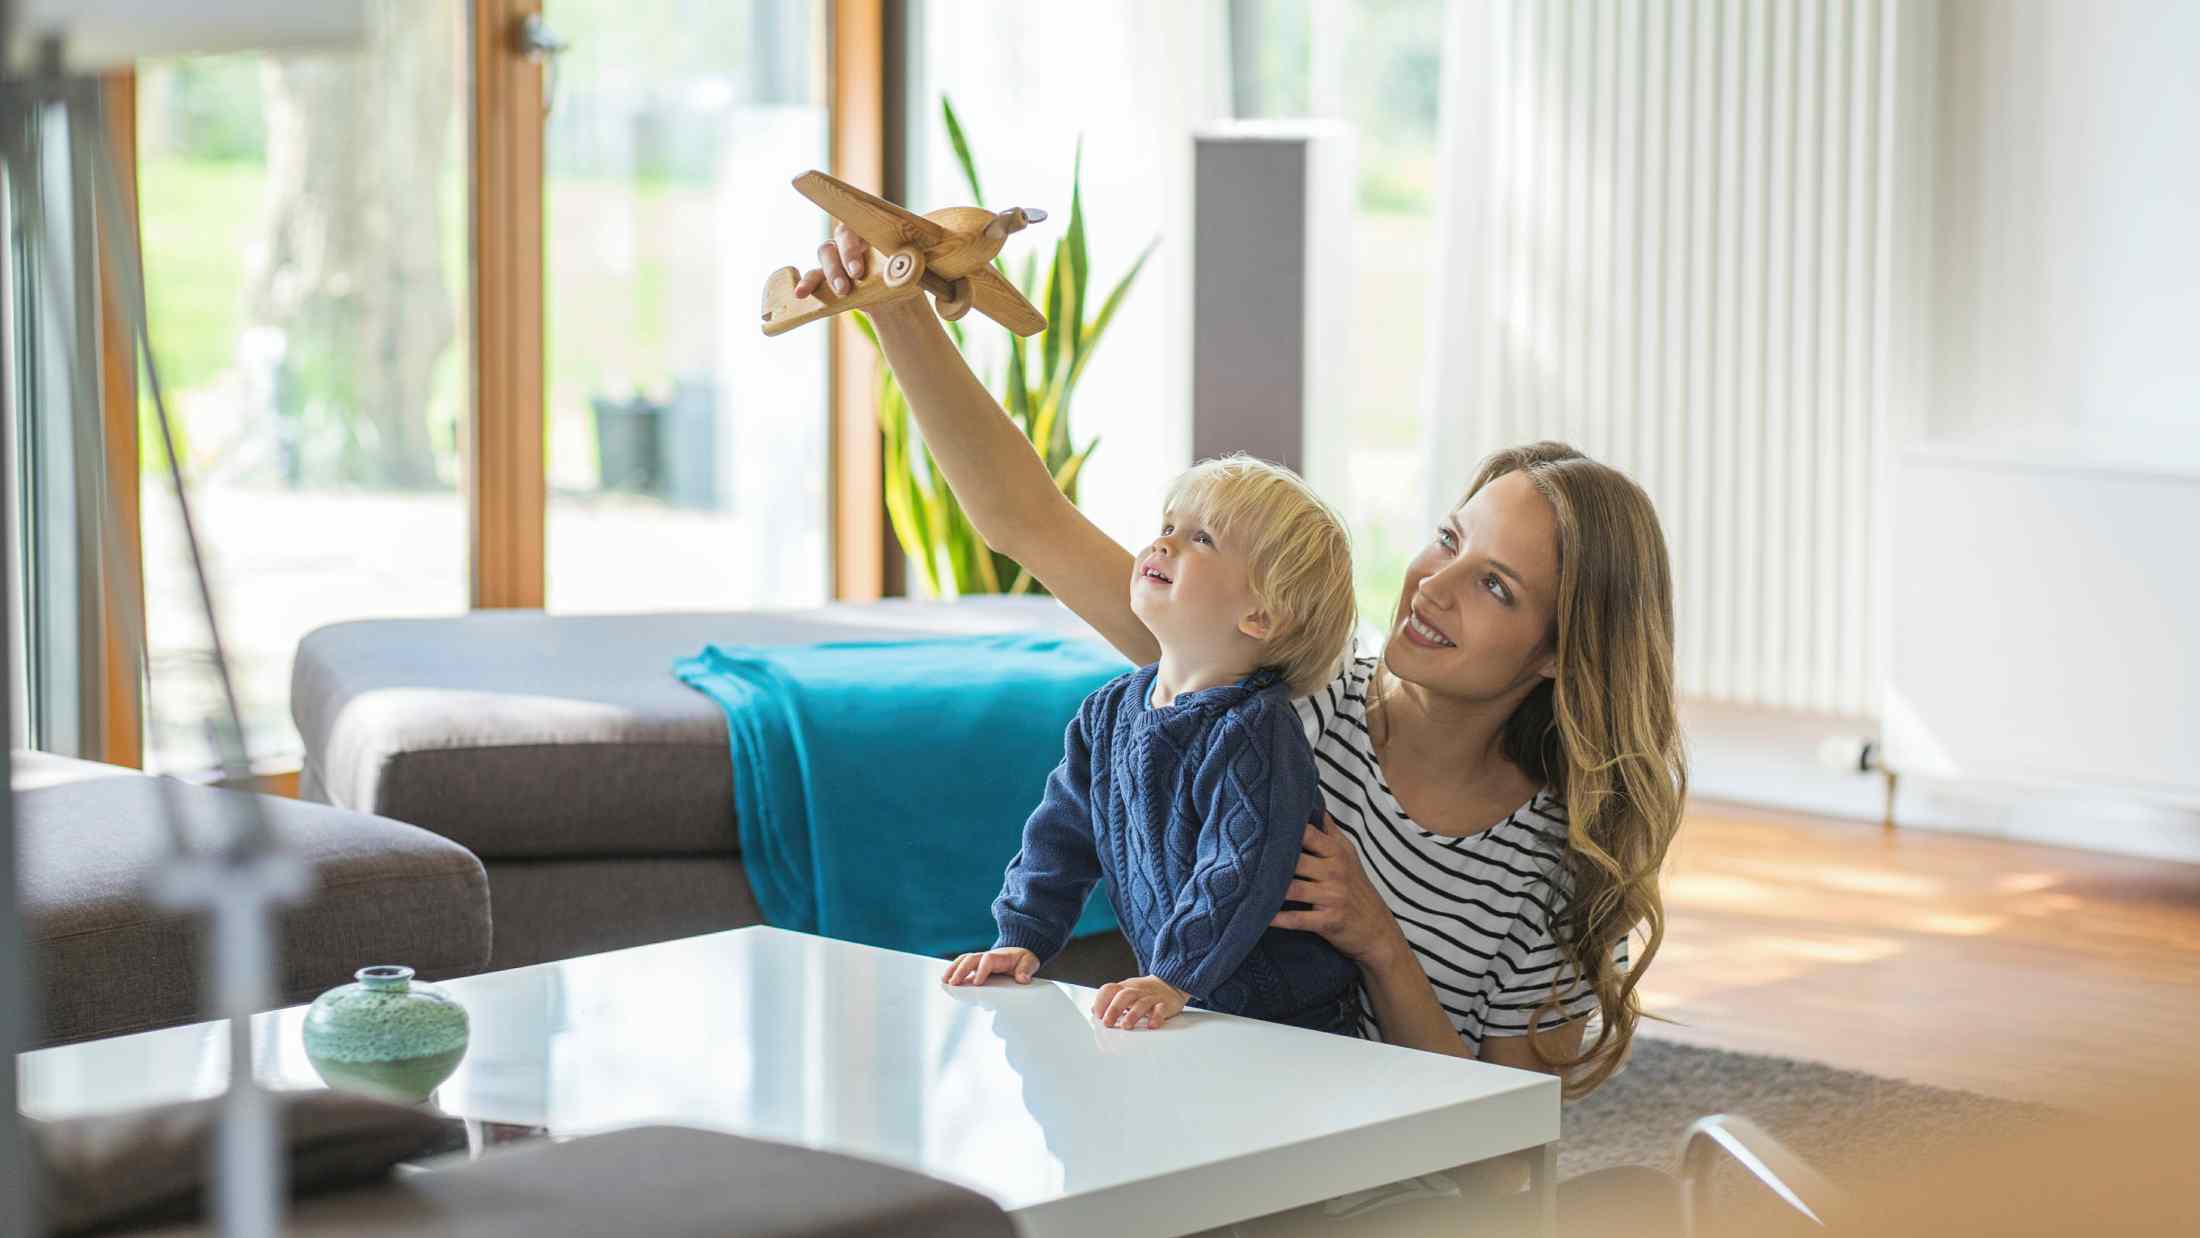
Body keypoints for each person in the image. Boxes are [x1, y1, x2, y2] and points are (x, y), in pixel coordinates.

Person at [799, 229, 1683, 1099]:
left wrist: (1379, 942)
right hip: (1213, 1123)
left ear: (1561, 653)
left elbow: (1506, 1137)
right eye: (1448, 539)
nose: (1433, 584)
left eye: (1494, 585)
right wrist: (899, 309)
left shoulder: (1555, 870)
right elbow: (1028, 521)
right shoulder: (1280, 689)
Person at [943, 455, 1364, 1037]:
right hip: (1189, 1005)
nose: (1164, 544)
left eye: (1201, 538)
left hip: (1290, 1022)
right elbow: (1060, 835)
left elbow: (1238, 872)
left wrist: (1172, 975)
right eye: (1168, 527)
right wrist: (1023, 936)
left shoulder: (1256, 731)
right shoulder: (1109, 712)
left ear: (1261, 615)